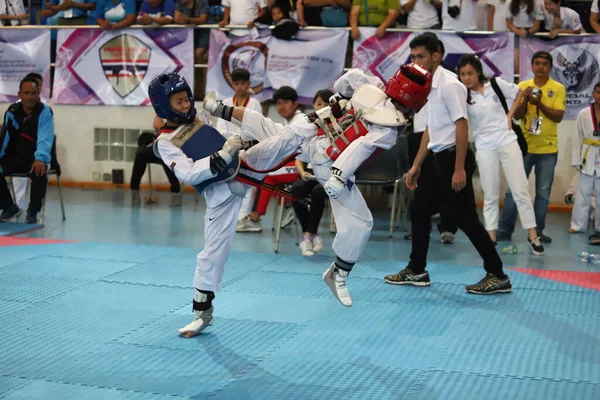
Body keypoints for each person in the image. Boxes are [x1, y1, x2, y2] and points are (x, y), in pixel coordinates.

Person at [203, 63, 433, 307]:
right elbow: (360, 147)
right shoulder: (388, 128)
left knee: (272, 134)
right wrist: (339, 175)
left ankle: (224, 124)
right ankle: (339, 273)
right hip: (326, 155)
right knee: (360, 220)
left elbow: (350, 77)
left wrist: (340, 93)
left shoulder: (371, 84)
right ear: (417, 101)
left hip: (313, 133)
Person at [149, 72, 315, 337]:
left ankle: (326, 128)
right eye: (178, 101)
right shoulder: (164, 143)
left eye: (186, 98)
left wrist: (230, 133)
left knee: (279, 140)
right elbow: (190, 173)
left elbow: (225, 135)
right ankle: (202, 315)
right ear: (163, 106)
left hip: (244, 163)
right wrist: (223, 153)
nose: (185, 105)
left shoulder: (200, 117)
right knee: (212, 254)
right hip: (219, 194)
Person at [384, 33, 512, 295]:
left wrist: (459, 167)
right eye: (413, 57)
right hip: (436, 157)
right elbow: (431, 128)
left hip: (454, 157)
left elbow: (461, 125)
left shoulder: (450, 84)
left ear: (436, 56)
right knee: (418, 209)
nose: (416, 61)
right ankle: (416, 269)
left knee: (465, 219)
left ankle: (497, 274)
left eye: (421, 56)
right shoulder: (426, 85)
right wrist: (417, 164)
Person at [457, 54, 544, 255]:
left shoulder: (495, 84)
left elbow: (521, 92)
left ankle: (533, 235)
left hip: (507, 140)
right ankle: (490, 237)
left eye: (470, 73)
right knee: (490, 193)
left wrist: (509, 115)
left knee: (520, 189)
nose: (466, 78)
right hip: (484, 145)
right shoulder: (463, 96)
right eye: (462, 74)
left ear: (478, 72)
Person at [496, 51, 566, 243]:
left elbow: (558, 116)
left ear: (550, 68)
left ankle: (538, 231)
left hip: (548, 149)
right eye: (537, 63)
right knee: (514, 190)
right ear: (532, 66)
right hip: (524, 147)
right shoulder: (523, 86)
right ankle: (504, 229)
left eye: (545, 64)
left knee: (543, 194)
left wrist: (540, 103)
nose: (541, 67)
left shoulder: (558, 88)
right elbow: (516, 116)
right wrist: (525, 99)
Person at [0, 76, 54, 224]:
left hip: (34, 158)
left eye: (33, 93)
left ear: (38, 94)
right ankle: (9, 206)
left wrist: (40, 158)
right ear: (19, 95)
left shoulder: (45, 112)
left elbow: (45, 137)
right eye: (26, 93)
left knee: (39, 171)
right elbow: (4, 137)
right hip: (15, 157)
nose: (30, 96)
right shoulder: (11, 111)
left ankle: (32, 211)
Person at [293, 89, 332, 256]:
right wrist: (301, 172)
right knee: (295, 191)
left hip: (328, 175)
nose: (321, 107)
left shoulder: (338, 126)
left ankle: (308, 237)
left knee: (317, 193)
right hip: (309, 173)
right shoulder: (308, 126)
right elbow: (298, 156)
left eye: (325, 104)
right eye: (318, 103)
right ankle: (311, 234)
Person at [570, 83, 600, 244]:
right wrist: (576, 160)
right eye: (598, 92)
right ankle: (578, 225)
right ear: (593, 93)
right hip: (587, 156)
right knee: (583, 194)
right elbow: (577, 137)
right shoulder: (584, 113)